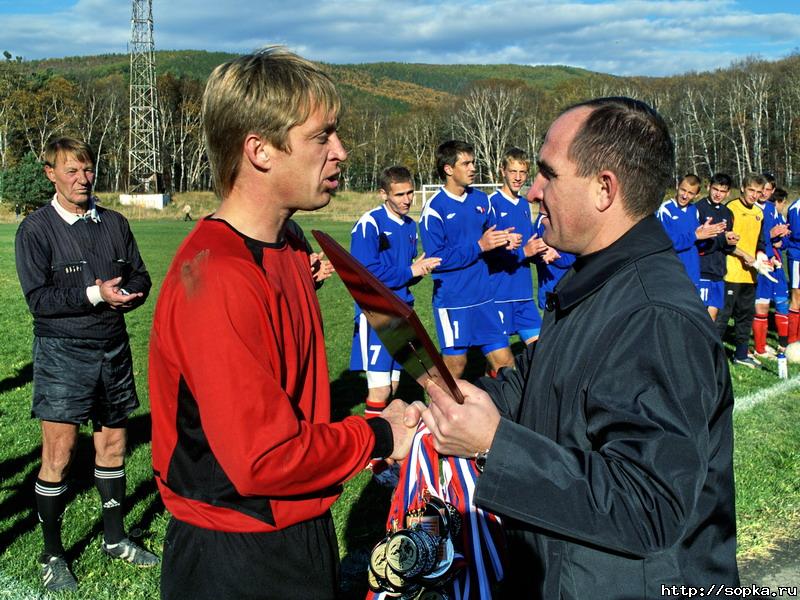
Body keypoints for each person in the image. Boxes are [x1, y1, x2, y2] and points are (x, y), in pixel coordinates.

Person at [411, 97, 739, 598]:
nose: (535, 191)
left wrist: (495, 444)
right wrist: (445, 407)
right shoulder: (595, 278)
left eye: (549, 174)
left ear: (604, 189)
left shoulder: (654, 314)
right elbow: (537, 383)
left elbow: (649, 507)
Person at [148, 47, 419, 600]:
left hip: (298, 526)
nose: (340, 152)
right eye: (322, 137)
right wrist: (381, 433)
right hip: (238, 553)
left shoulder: (291, 244)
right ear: (260, 151)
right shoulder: (219, 275)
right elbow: (262, 460)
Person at [14, 137, 157, 592]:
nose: (82, 179)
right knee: (59, 456)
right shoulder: (35, 230)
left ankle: (115, 539)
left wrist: (129, 294)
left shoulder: (114, 221)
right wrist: (95, 294)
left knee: (114, 449)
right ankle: (52, 554)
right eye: (71, 171)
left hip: (112, 349)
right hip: (62, 353)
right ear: (50, 174)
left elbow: (139, 273)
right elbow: (39, 300)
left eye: (88, 170)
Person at [349, 165, 440, 483]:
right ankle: (371, 458)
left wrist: (417, 270)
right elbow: (366, 274)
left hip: (401, 313)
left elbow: (404, 273)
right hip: (375, 315)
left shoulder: (410, 226)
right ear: (383, 194)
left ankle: (386, 453)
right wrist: (410, 271)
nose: (407, 199)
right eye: (399, 194)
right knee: (379, 389)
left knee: (395, 386)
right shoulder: (370, 224)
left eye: (410, 192)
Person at [419, 140, 521, 379]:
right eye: (466, 163)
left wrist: (504, 241)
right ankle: (438, 414)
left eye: (473, 162)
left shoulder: (481, 201)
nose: (473, 168)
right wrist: (479, 246)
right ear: (448, 169)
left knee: (505, 363)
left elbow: (490, 241)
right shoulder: (434, 209)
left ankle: (504, 412)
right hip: (454, 301)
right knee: (456, 366)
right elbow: (437, 259)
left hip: (484, 297)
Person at [487, 148, 542, 345]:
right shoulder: (491, 204)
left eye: (523, 172)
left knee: (539, 351)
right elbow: (486, 253)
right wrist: (523, 251)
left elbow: (528, 246)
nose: (518, 177)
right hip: (499, 294)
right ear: (502, 171)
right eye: (513, 171)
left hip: (524, 295)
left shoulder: (523, 205)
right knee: (498, 360)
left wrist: (541, 249)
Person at [716, 173, 770, 367]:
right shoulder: (731, 209)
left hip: (751, 275)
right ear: (743, 189)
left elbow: (760, 242)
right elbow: (724, 241)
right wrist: (744, 255)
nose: (754, 195)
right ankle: (713, 356)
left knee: (745, 316)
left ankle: (740, 354)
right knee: (723, 316)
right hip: (731, 273)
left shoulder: (759, 213)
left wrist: (763, 256)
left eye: (758, 191)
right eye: (751, 190)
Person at [656, 173, 726, 294]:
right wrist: (696, 235)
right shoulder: (665, 209)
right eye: (683, 190)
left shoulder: (694, 211)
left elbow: (696, 243)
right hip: (672, 272)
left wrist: (711, 235)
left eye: (690, 193)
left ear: (696, 195)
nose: (684, 196)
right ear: (677, 186)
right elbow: (666, 243)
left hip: (692, 272)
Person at [752, 174, 791, 357]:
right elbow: (755, 238)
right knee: (762, 305)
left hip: (774, 262)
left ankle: (784, 345)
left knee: (782, 301)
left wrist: (780, 242)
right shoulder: (752, 208)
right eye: (762, 189)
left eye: (768, 190)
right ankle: (759, 348)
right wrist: (770, 235)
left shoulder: (771, 208)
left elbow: (782, 237)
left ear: (773, 191)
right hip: (760, 262)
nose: (764, 193)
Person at [695, 173, 738, 321]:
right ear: (708, 187)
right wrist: (721, 239)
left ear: (728, 193)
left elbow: (725, 246)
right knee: (701, 315)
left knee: (712, 316)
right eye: (715, 189)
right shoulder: (698, 209)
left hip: (719, 271)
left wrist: (731, 242)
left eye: (722, 191)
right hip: (703, 270)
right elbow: (698, 245)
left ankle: (705, 344)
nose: (718, 194)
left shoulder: (727, 213)